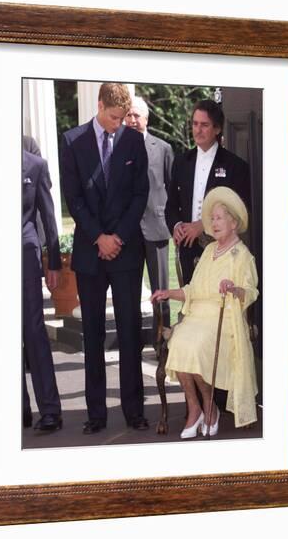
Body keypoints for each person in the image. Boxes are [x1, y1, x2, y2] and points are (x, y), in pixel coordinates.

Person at [61, 83, 150, 434]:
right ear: (99, 106)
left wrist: (119, 237)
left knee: (130, 332)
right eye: (114, 117)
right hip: (90, 254)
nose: (118, 124)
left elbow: (139, 193)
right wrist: (99, 237)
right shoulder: (72, 141)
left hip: (126, 252)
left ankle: (135, 411)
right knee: (94, 335)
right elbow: (74, 197)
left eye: (123, 117)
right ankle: (95, 414)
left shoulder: (133, 140)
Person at [151, 187, 258, 438]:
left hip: (223, 317)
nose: (214, 222)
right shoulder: (209, 251)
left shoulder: (242, 256)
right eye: (213, 218)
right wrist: (168, 293)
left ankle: (210, 409)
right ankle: (195, 408)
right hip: (196, 316)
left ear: (233, 223)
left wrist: (234, 289)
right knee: (179, 342)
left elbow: (251, 292)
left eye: (220, 218)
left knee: (196, 346)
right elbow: (192, 290)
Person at [165, 99, 251, 286]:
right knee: (191, 304)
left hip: (222, 248)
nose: (198, 130)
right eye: (195, 124)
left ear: (217, 129)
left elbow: (241, 211)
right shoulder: (181, 162)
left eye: (204, 125)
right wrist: (177, 225)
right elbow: (171, 205)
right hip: (188, 248)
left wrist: (204, 225)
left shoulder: (236, 166)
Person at [124, 96, 174, 343]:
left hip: (157, 228)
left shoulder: (163, 148)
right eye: (129, 115)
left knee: (161, 292)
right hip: (128, 232)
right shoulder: (116, 147)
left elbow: (172, 189)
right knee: (129, 292)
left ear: (146, 118)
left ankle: (162, 342)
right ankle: (132, 342)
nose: (132, 120)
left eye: (137, 115)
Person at [22, 150, 63, 431]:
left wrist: (55, 262)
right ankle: (17, 410)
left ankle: (50, 410)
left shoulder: (36, 165)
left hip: (25, 255)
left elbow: (48, 217)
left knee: (34, 330)